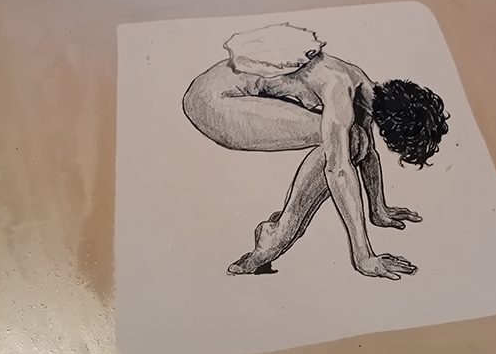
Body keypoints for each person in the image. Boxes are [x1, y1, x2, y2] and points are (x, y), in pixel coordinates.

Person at [183, 23, 449, 280]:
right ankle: (278, 235)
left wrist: (378, 209)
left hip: (218, 95)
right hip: (213, 104)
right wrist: (364, 256)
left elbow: (369, 151)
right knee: (349, 141)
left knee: (356, 139)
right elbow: (338, 170)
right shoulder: (339, 88)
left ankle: (281, 230)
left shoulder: (362, 86)